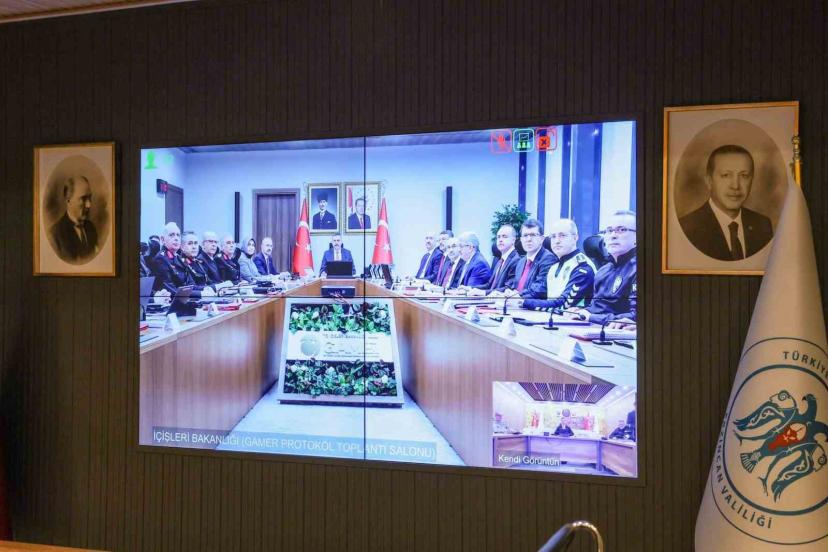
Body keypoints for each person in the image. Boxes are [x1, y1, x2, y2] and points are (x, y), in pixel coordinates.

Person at [678, 145, 773, 261]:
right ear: (709, 181)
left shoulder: (762, 225)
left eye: (744, 176)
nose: (735, 186)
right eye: (726, 175)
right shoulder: (687, 228)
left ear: (752, 180)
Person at [566, 211, 637, 325]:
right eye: (609, 230)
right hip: (596, 328)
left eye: (621, 230)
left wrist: (591, 317)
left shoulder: (642, 270)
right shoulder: (603, 271)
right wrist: (583, 311)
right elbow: (597, 308)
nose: (613, 235)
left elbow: (636, 316)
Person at [522, 219, 595, 311]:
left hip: (573, 319)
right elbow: (541, 294)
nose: (556, 241)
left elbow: (562, 305)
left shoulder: (582, 267)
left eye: (562, 235)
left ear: (575, 238)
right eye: (553, 236)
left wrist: (523, 302)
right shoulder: (554, 266)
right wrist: (515, 297)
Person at [149, 223, 214, 297]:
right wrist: (201, 294)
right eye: (171, 235)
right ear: (163, 239)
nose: (176, 238)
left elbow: (190, 285)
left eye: (178, 235)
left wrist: (205, 289)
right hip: (169, 302)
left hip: (185, 299)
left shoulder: (178, 258)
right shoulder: (160, 259)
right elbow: (171, 291)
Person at [48, 175, 99, 263]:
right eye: (83, 199)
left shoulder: (91, 228)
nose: (89, 205)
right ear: (68, 200)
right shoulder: (54, 235)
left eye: (90, 198)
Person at [502, 218, 556, 298]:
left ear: (542, 239)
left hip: (531, 304)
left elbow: (540, 289)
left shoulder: (548, 259)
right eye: (525, 235)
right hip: (515, 302)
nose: (528, 239)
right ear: (521, 239)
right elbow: (515, 286)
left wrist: (516, 295)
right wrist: (506, 292)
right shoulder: (521, 262)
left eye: (533, 235)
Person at [484, 224, 521, 293]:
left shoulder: (516, 261)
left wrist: (484, 293)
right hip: (490, 297)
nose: (500, 240)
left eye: (504, 237)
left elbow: (508, 288)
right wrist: (471, 289)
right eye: (498, 237)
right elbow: (489, 285)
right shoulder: (499, 261)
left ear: (513, 240)